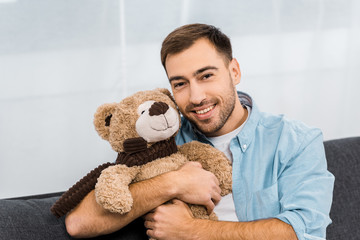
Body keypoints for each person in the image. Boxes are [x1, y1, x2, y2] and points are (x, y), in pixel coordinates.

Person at [65, 24, 334, 240]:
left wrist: (191, 230)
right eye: (180, 83)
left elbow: (302, 232)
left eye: (206, 76)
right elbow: (79, 223)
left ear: (234, 71)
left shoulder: (296, 141)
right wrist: (174, 182)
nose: (196, 97)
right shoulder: (161, 140)